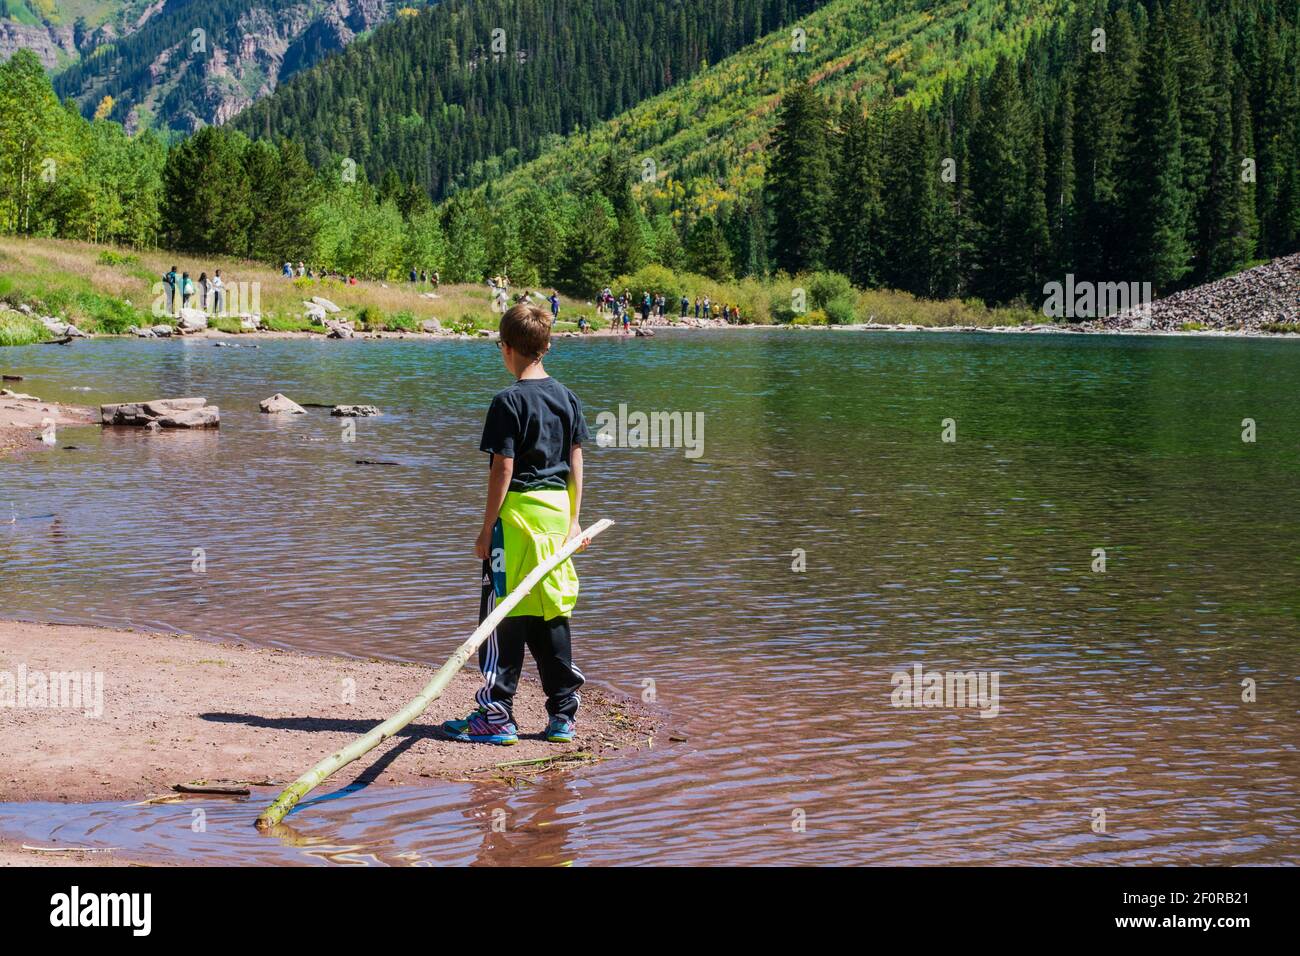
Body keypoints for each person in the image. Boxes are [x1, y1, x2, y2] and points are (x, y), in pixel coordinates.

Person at [439, 302, 592, 747]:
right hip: (557, 513)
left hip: (519, 517)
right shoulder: (567, 397)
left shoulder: (507, 401)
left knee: (502, 610)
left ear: (506, 349)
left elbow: (502, 469)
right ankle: (563, 715)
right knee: (551, 608)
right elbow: (576, 461)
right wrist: (575, 518)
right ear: (546, 346)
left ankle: (496, 714)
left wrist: (488, 528)